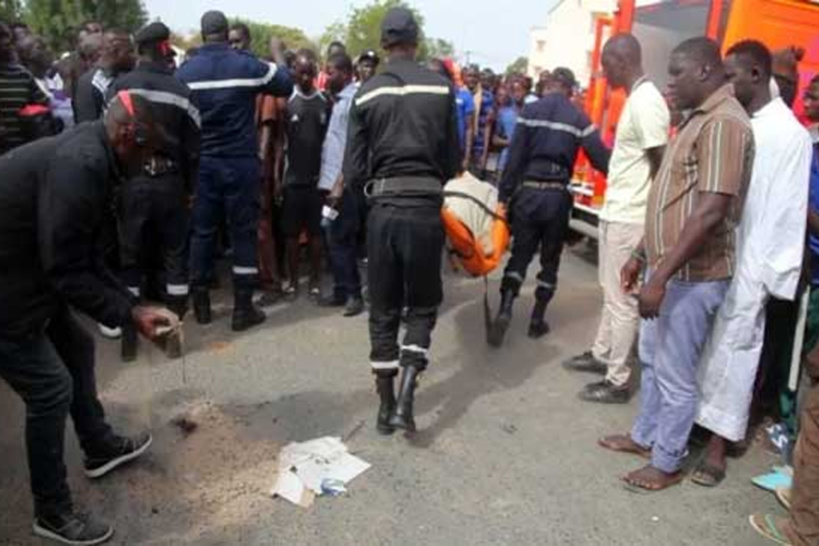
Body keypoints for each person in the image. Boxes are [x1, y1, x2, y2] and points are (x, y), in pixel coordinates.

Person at [0, 92, 172, 546]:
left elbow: (86, 253)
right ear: (127, 136)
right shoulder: (82, 166)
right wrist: (130, 314)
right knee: (50, 389)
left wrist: (130, 304)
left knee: (77, 347)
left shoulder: (96, 156)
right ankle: (52, 511)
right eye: (147, 152)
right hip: (9, 283)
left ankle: (97, 446)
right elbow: (64, 268)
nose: (148, 163)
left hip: (24, 268)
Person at [599, 37, 755, 492]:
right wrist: (642, 255)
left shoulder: (724, 123)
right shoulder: (696, 119)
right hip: (667, 268)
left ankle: (667, 460)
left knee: (674, 371)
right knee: (652, 359)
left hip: (692, 275)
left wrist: (661, 276)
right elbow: (670, 200)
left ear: (704, 71)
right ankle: (646, 437)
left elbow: (710, 210)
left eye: (677, 73)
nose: (670, 83)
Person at [344, 7, 460, 434]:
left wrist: (374, 203)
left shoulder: (365, 93)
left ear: (383, 44)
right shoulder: (442, 89)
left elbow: (353, 170)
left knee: (383, 309)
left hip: (383, 211)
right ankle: (407, 398)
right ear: (416, 41)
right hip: (426, 209)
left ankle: (385, 406)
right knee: (423, 306)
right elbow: (453, 159)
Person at [563, 34, 669, 404]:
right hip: (618, 212)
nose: (603, 74)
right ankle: (602, 354)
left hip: (631, 218)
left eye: (606, 66)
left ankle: (618, 380)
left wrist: (648, 231)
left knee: (623, 300)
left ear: (621, 62)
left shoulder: (647, 102)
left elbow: (662, 170)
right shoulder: (636, 99)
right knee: (612, 294)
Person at [176, 10, 293, 331]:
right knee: (243, 232)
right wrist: (278, 53)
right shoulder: (245, 65)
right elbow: (285, 84)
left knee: (203, 232)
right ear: (226, 33)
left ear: (203, 35)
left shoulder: (186, 72)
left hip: (204, 163)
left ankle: (201, 305)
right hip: (240, 162)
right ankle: (243, 309)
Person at [489, 68, 610, 346]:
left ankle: (505, 309)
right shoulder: (578, 117)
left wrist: (504, 197)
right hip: (557, 198)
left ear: (549, 85)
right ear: (570, 89)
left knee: (520, 255)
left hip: (528, 193)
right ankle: (536, 320)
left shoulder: (529, 112)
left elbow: (514, 158)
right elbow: (600, 159)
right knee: (550, 260)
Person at [749, 77, 819, 545]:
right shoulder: (806, 141)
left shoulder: (797, 140)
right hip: (801, 267)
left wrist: (799, 211)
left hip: (810, 268)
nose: (807, 101)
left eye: (815, 96)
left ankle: (804, 525)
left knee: (806, 376)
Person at [105, 22, 201, 361]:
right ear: (163, 49)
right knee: (175, 256)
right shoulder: (181, 90)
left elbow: (108, 135)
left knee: (130, 259)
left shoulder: (119, 87)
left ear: (139, 49)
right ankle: (173, 336)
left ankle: (129, 339)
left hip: (131, 182)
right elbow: (194, 148)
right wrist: (190, 188)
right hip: (170, 182)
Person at [318, 52, 365, 316]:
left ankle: (353, 294)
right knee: (332, 239)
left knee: (341, 239)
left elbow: (352, 147)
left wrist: (339, 184)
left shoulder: (351, 103)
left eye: (331, 72)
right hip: (329, 181)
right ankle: (340, 290)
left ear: (346, 74)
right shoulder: (337, 101)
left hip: (342, 185)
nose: (326, 76)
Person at [280, 49, 330, 299]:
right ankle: (292, 281)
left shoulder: (325, 102)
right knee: (290, 235)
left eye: (310, 73)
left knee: (316, 235)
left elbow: (329, 142)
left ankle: (315, 281)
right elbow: (279, 143)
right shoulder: (287, 101)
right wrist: (278, 179)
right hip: (292, 182)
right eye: (301, 73)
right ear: (294, 73)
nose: (306, 78)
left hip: (316, 182)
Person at [256, 36, 288, 306]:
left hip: (259, 170)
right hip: (258, 169)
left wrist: (268, 172)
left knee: (262, 229)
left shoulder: (266, 95)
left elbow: (269, 138)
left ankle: (272, 282)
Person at [0, 21, 50, 156]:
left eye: (7, 36)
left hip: (21, 153)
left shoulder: (22, 75)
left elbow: (44, 106)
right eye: (1, 37)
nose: (6, 42)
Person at [73, 29, 135, 123]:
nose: (134, 56)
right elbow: (87, 124)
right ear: (115, 51)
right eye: (130, 52)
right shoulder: (90, 83)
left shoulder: (131, 75)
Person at [18, 34, 74, 132]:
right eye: (41, 47)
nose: (49, 50)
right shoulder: (28, 86)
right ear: (27, 56)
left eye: (47, 46)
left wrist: (67, 79)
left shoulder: (51, 82)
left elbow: (65, 100)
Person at [429, 57, 473, 170]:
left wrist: (467, 157)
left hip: (456, 150)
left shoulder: (465, 95)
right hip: (434, 150)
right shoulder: (429, 95)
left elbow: (469, 128)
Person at [463, 64, 494, 177]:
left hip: (478, 147)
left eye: (474, 76)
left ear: (478, 78)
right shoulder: (458, 94)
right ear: (464, 77)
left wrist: (484, 154)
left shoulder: (487, 97)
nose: (471, 79)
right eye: (469, 76)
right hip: (461, 147)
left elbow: (487, 127)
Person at [493, 76, 527, 175]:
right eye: (514, 91)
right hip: (505, 163)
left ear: (525, 91)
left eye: (520, 90)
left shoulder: (532, 112)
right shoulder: (503, 113)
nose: (517, 94)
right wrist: (510, 142)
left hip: (524, 165)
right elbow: (495, 139)